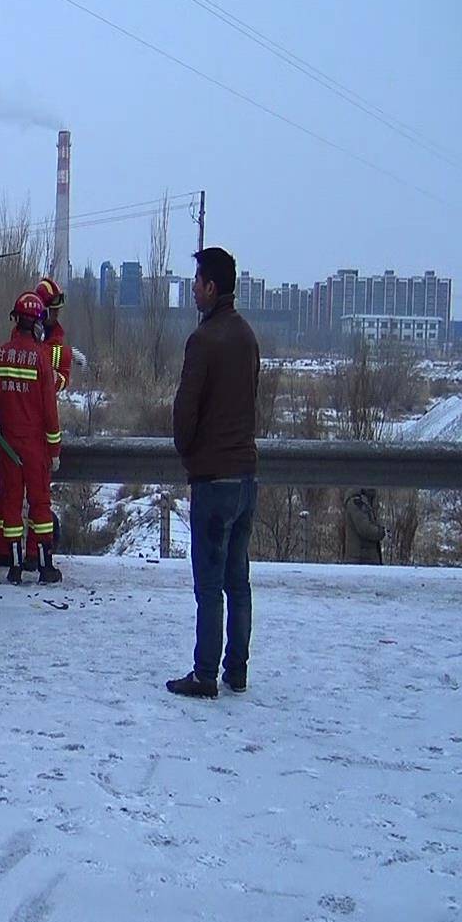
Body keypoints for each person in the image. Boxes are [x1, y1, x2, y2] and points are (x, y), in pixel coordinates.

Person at [166, 247, 260, 699]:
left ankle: (205, 674)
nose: (193, 287)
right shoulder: (246, 336)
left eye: (198, 280)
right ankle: (236, 670)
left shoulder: (203, 341)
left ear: (212, 287)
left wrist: (187, 450)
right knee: (237, 581)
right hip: (245, 476)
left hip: (214, 477)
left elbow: (186, 411)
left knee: (208, 584)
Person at [0, 291, 63, 585]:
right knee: (40, 504)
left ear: (15, 319)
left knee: (11, 502)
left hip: (8, 444)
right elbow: (51, 412)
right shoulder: (41, 357)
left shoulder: (2, 354)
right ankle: (44, 566)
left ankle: (14, 567)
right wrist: (54, 449)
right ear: (38, 322)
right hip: (35, 446)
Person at [35, 276, 72, 395]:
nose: (57, 314)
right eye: (53, 310)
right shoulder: (21, 334)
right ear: (42, 311)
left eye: (58, 310)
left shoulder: (58, 342)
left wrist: (52, 378)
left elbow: (64, 379)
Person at [343, 488, 385, 564]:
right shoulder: (356, 502)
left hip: (364, 557)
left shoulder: (364, 502)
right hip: (360, 559)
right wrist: (381, 532)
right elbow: (365, 529)